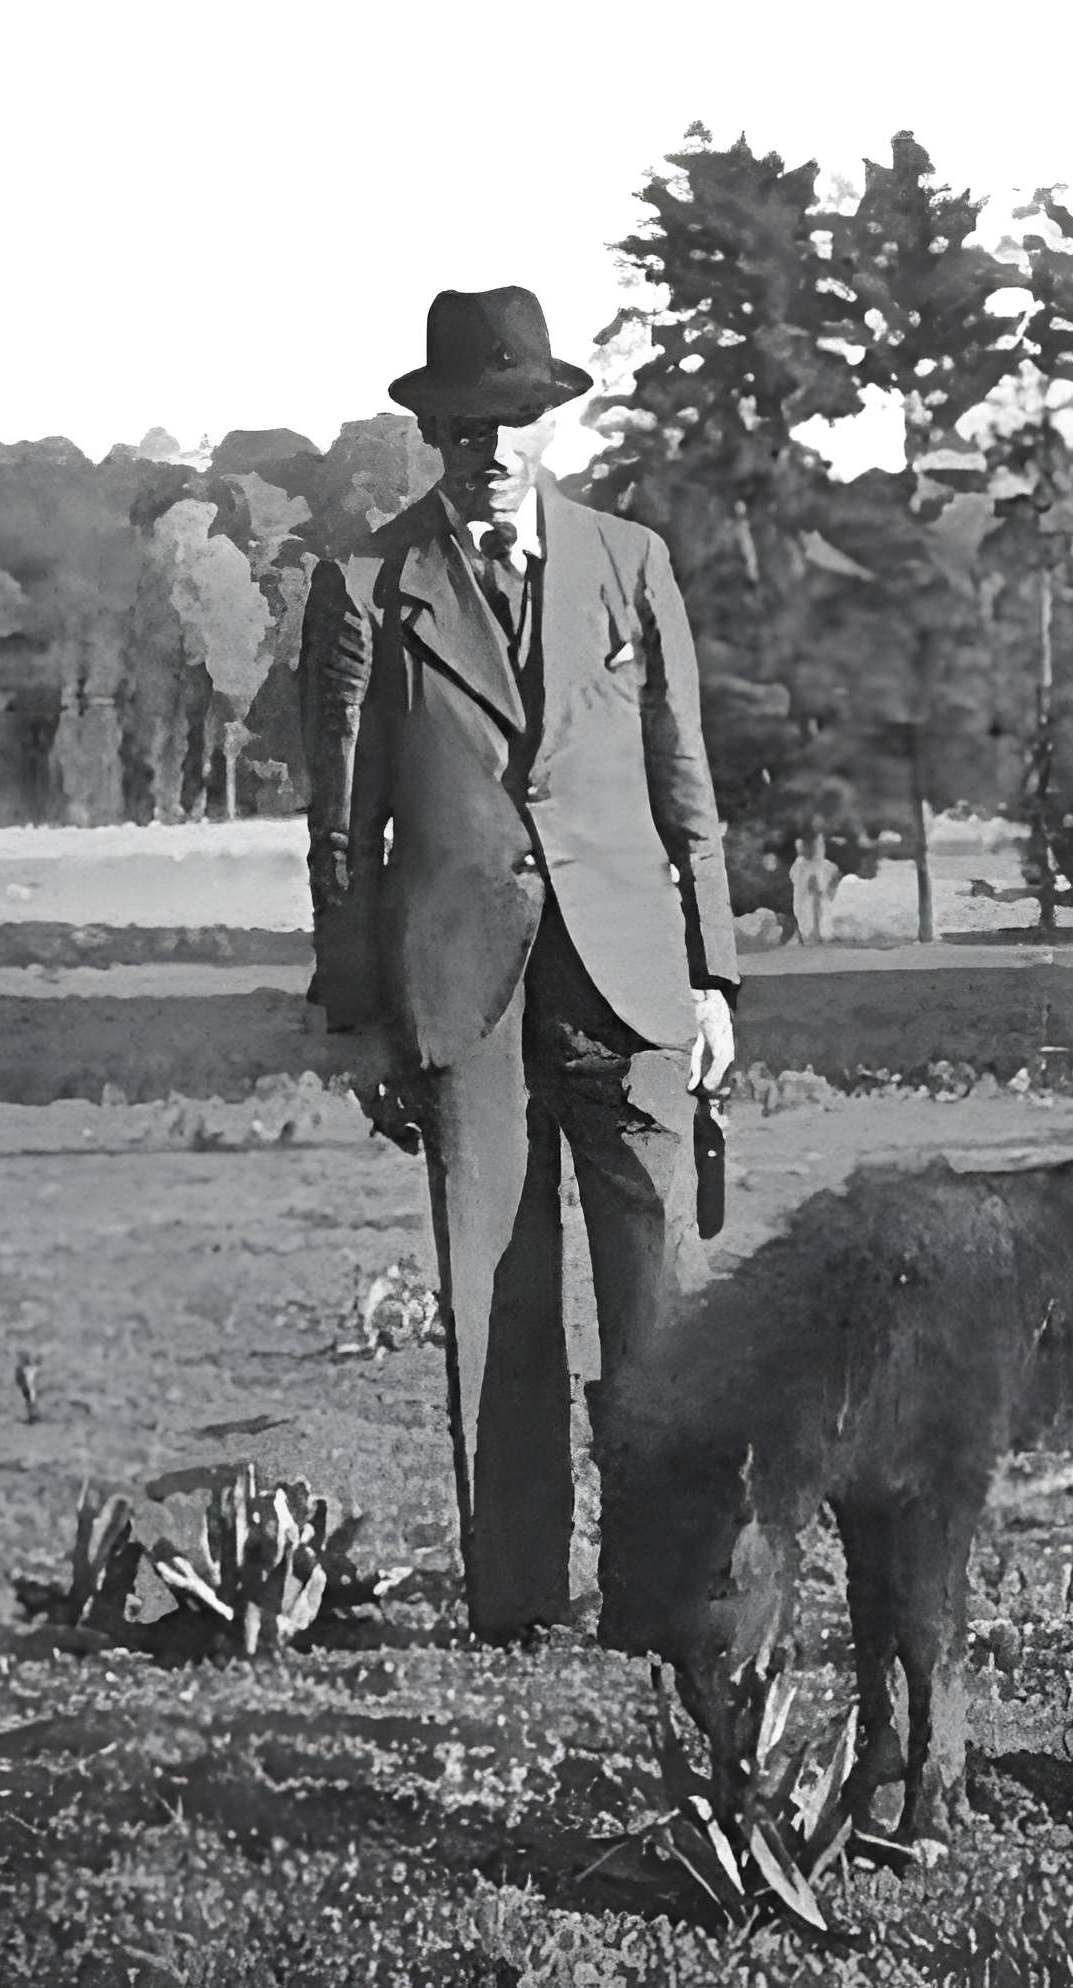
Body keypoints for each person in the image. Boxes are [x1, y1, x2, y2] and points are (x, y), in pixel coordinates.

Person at [298, 285, 740, 1646]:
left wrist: (714, 978)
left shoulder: (631, 561)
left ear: (550, 425)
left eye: (514, 422)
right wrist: (361, 1015)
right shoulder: (368, 588)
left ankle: (663, 1592)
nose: (491, 448)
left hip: (629, 977)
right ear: (430, 432)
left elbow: (686, 780)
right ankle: (518, 1600)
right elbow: (340, 831)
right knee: (496, 1293)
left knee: (655, 1288)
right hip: (460, 989)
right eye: (463, 425)